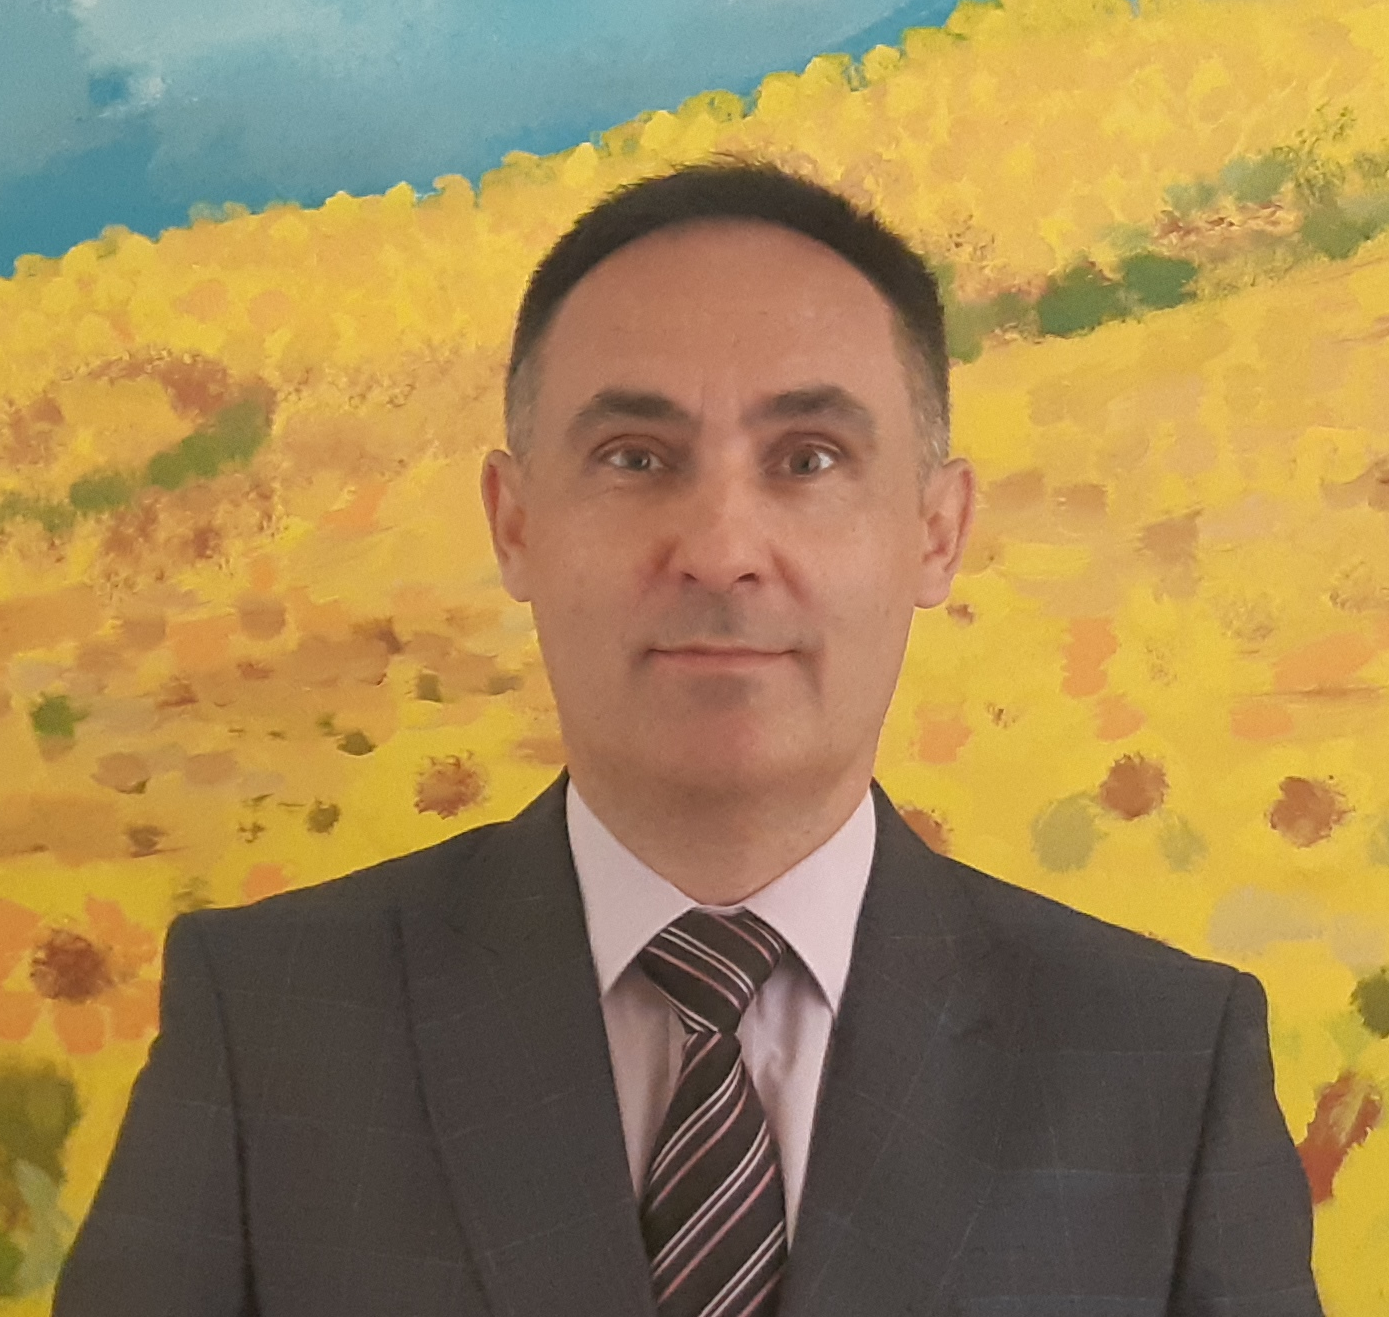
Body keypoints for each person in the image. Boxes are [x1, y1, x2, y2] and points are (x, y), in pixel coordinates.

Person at [52, 162, 1322, 1317]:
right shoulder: (274, 1028)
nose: (720, 550)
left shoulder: (1164, 1065)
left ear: (936, 531)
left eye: (809, 459)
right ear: (514, 523)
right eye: (636, 457)